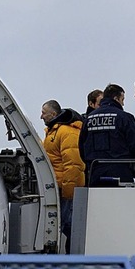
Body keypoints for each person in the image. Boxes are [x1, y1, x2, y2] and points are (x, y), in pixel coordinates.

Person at [79, 83, 135, 187]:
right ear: (116, 98)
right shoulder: (124, 118)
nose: (123, 104)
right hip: (121, 173)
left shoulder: (89, 119)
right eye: (122, 99)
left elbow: (82, 147)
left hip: (95, 174)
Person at [40, 99, 85, 253]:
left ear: (53, 114)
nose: (41, 116)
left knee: (68, 224)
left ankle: (75, 258)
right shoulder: (53, 132)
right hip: (57, 186)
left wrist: (69, 190)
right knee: (64, 224)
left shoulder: (66, 132)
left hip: (64, 188)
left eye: (43, 113)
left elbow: (73, 164)